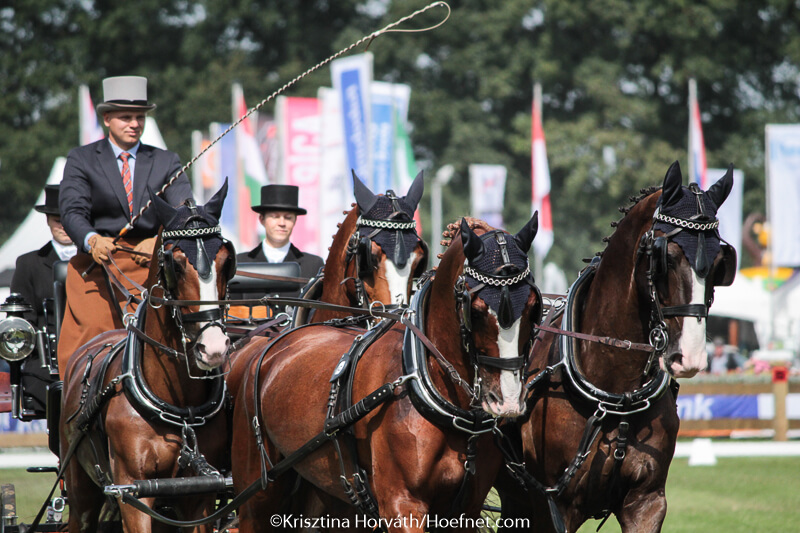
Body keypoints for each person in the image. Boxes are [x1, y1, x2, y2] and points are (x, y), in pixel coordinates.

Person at [57, 76, 192, 378]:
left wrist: (160, 240)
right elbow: (72, 211)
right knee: (95, 334)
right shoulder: (81, 159)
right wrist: (91, 239)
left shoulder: (166, 161)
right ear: (107, 118)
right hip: (97, 266)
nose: (134, 124)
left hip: (152, 265)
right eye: (126, 117)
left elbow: (184, 211)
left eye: (140, 117)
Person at [235, 185, 323, 312]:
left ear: (295, 221)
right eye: (275, 216)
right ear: (262, 219)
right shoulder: (240, 263)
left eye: (288, 217)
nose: (282, 223)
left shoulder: (313, 265)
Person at [11, 184, 77, 329]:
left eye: (69, 220)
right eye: (58, 221)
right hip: (46, 341)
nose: (64, 227)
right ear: (47, 220)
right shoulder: (28, 263)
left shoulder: (94, 261)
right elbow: (22, 320)